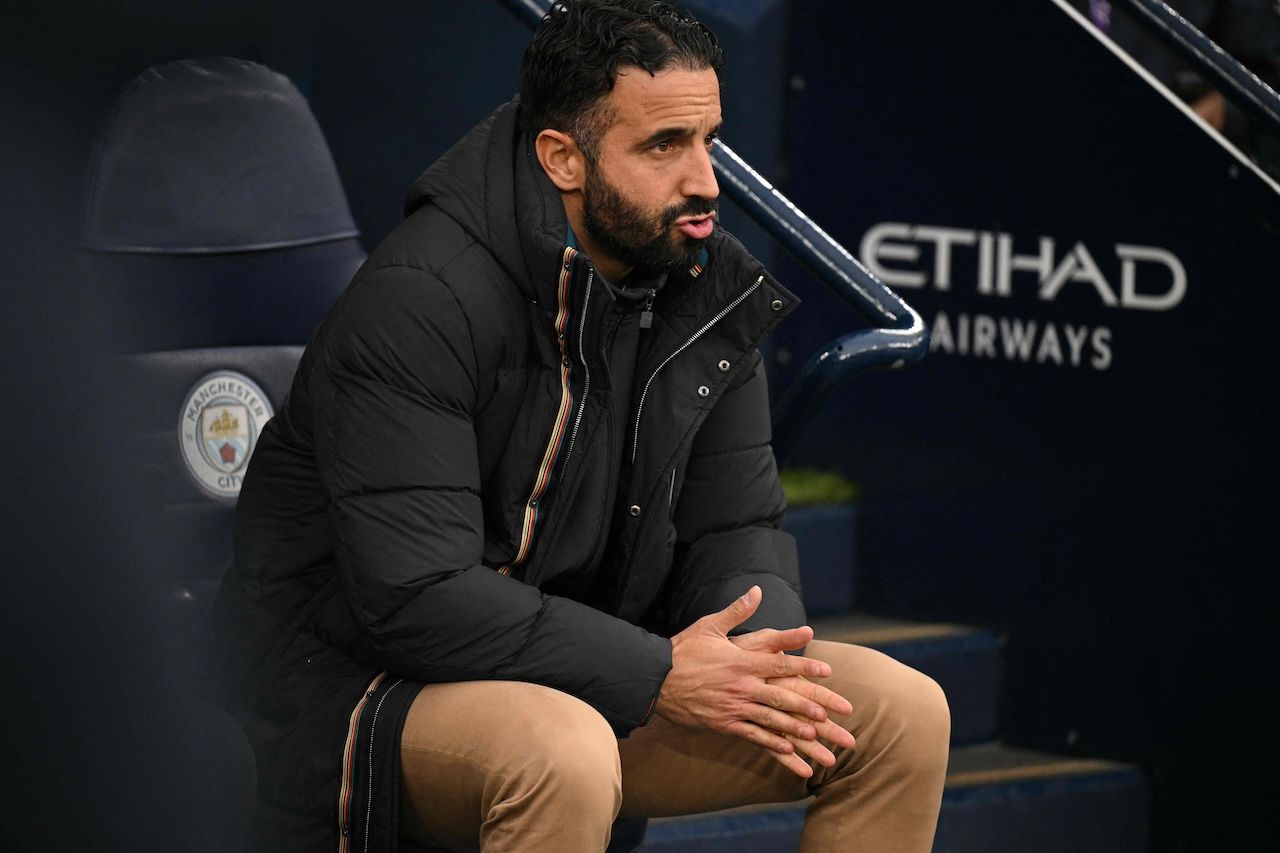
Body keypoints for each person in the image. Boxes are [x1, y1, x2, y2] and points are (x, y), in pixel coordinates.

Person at [211, 2, 950, 851]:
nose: (706, 180)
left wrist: (746, 654)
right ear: (563, 158)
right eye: (664, 146)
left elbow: (735, 528)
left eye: (708, 139)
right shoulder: (420, 297)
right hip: (354, 692)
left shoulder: (703, 291)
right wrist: (658, 671)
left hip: (592, 675)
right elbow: (416, 594)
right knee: (561, 752)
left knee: (898, 714)